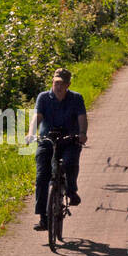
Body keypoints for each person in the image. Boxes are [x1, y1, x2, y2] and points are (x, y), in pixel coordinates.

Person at [30, 68, 87, 230]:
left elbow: (82, 118)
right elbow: (37, 117)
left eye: (62, 83)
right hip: (48, 140)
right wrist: (30, 133)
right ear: (52, 82)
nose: (58, 86)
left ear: (68, 84)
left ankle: (71, 191)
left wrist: (82, 133)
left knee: (69, 162)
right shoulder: (43, 97)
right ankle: (43, 218)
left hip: (70, 139)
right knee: (42, 176)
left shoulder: (76, 98)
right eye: (56, 82)